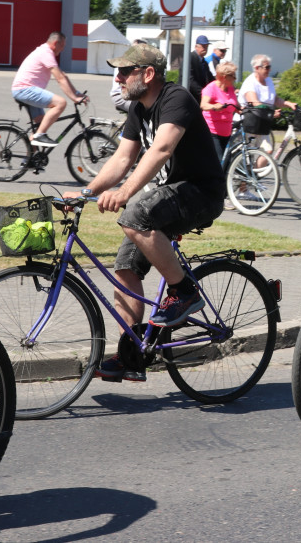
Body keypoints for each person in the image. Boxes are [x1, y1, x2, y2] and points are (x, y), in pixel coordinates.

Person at [70, 44, 224, 382]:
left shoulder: (176, 99)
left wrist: (125, 193)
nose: (118, 77)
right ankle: (133, 355)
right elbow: (122, 160)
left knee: (134, 213)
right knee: (125, 268)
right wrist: (85, 193)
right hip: (169, 196)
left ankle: (184, 293)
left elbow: (163, 148)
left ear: (148, 74)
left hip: (201, 193)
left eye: (126, 71)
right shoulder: (138, 109)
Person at [11, 31, 88, 147]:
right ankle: (40, 135)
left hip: (24, 90)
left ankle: (28, 160)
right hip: (25, 89)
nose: (62, 49)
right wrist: (74, 98)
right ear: (56, 43)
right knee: (61, 103)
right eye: (62, 46)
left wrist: (77, 93)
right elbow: (60, 79)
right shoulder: (46, 53)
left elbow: (63, 75)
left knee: (40, 124)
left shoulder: (45, 52)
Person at [239, 54, 297, 154]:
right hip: (249, 123)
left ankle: (255, 169)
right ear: (257, 68)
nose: (269, 70)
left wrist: (288, 104)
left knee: (268, 150)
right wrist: (271, 113)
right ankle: (247, 169)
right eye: (267, 67)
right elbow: (254, 104)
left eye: (270, 67)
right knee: (248, 154)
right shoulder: (250, 82)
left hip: (262, 123)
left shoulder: (268, 81)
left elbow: (275, 99)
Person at [200, 61, 240, 158]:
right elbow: (203, 105)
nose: (235, 79)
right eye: (233, 76)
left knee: (227, 163)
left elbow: (236, 106)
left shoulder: (230, 88)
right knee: (219, 162)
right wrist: (214, 107)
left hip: (227, 132)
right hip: (212, 132)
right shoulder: (211, 88)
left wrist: (246, 110)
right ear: (224, 77)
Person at [110, 39, 150, 114]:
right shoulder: (126, 63)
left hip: (132, 94)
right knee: (143, 111)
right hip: (120, 96)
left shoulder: (142, 63)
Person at [184, 34, 214, 104]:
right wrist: (203, 93)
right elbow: (190, 80)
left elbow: (210, 79)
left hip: (199, 98)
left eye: (206, 46)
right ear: (196, 47)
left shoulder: (204, 62)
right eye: (203, 46)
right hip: (189, 97)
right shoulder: (190, 58)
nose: (205, 49)